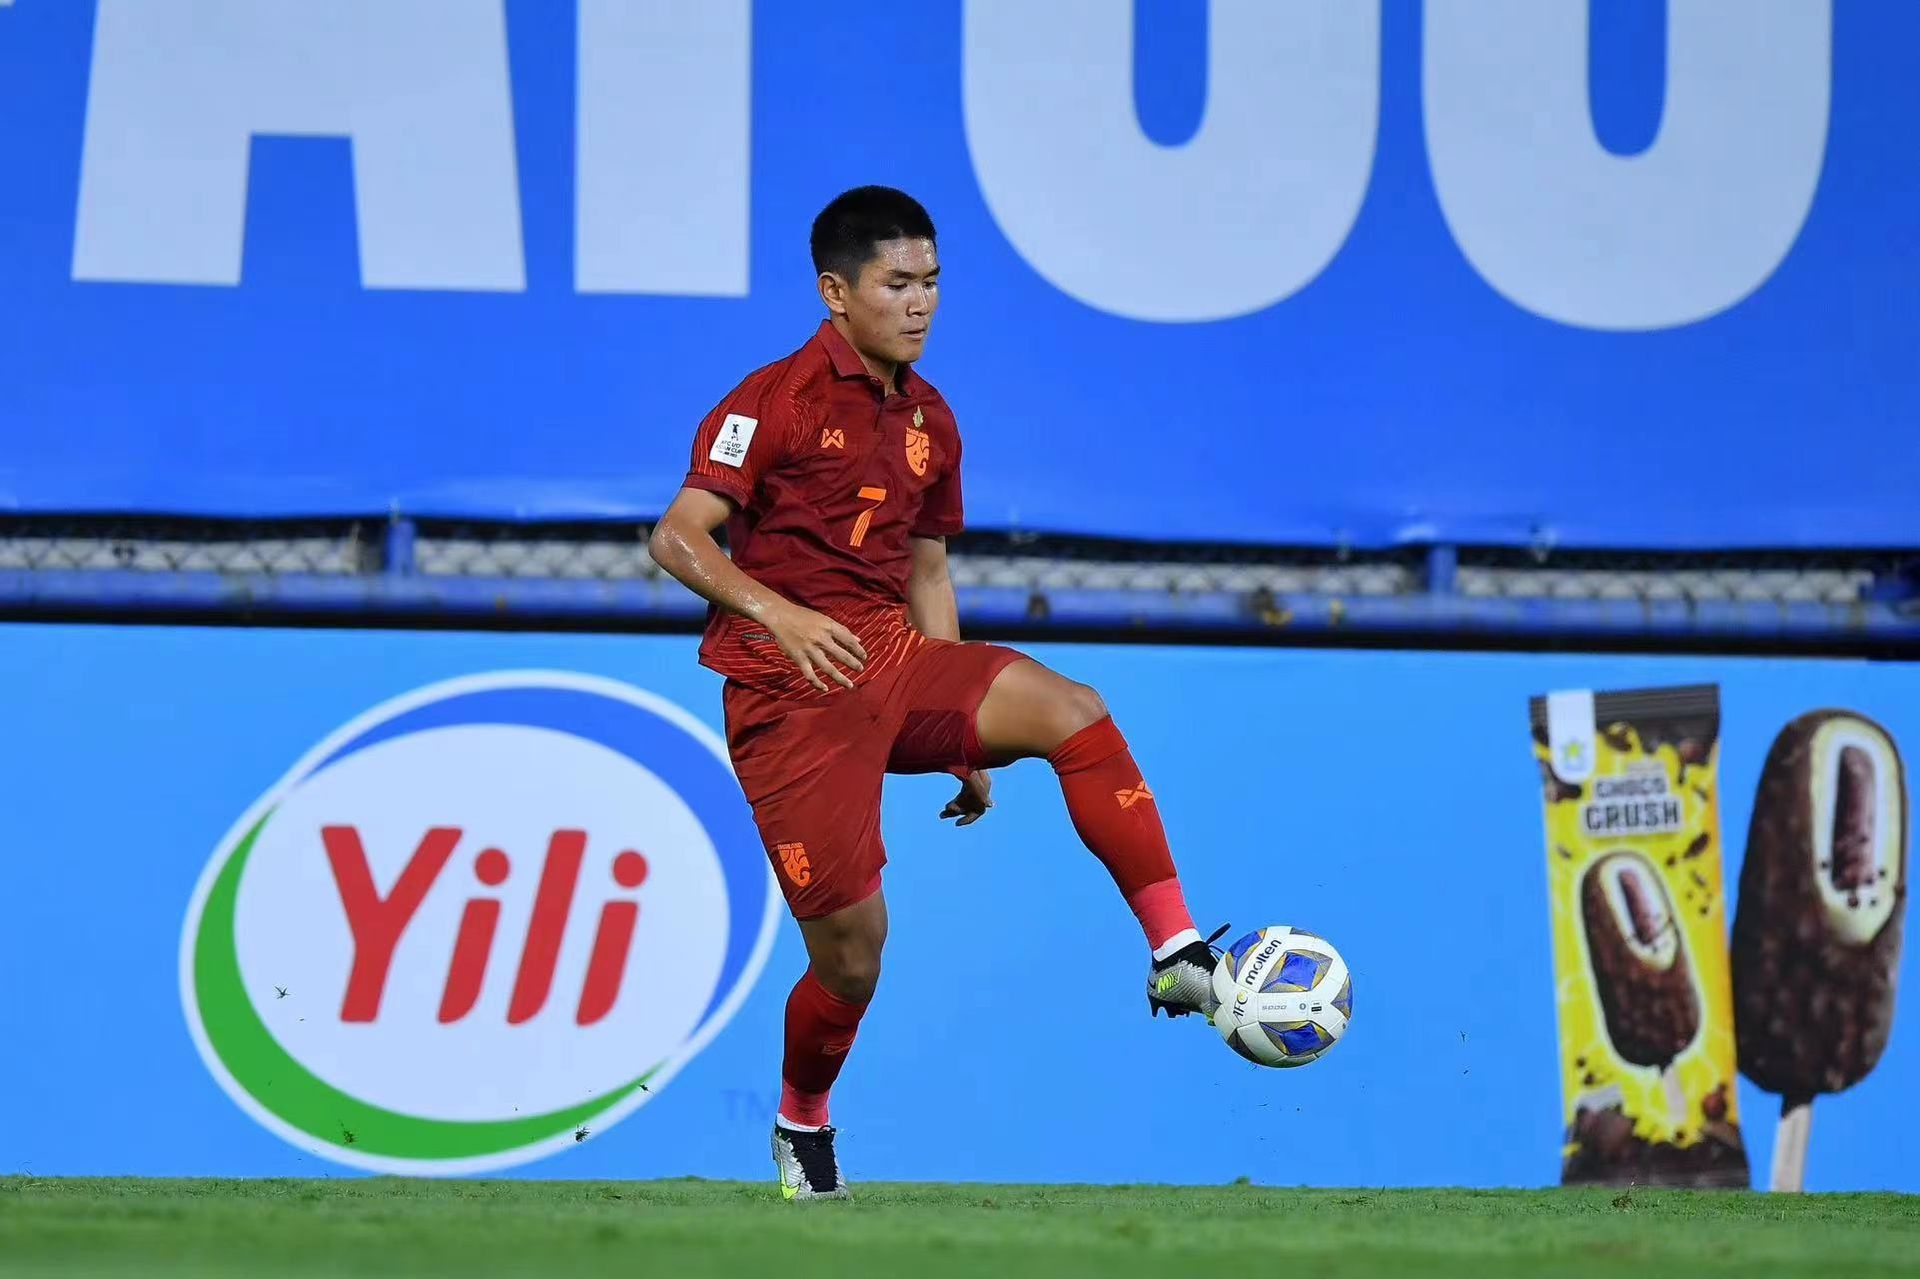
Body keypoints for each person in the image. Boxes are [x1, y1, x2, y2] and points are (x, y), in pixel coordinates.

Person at [649, 186, 1216, 1201]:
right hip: (789, 695)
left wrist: (961, 739)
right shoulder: (768, 401)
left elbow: (928, 572)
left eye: (933, 281)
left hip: (894, 659)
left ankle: (1176, 948)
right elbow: (676, 537)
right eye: (897, 283)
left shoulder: (931, 419)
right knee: (854, 960)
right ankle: (802, 1119)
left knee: (1075, 711)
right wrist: (779, 614)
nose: (921, 303)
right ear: (836, 292)